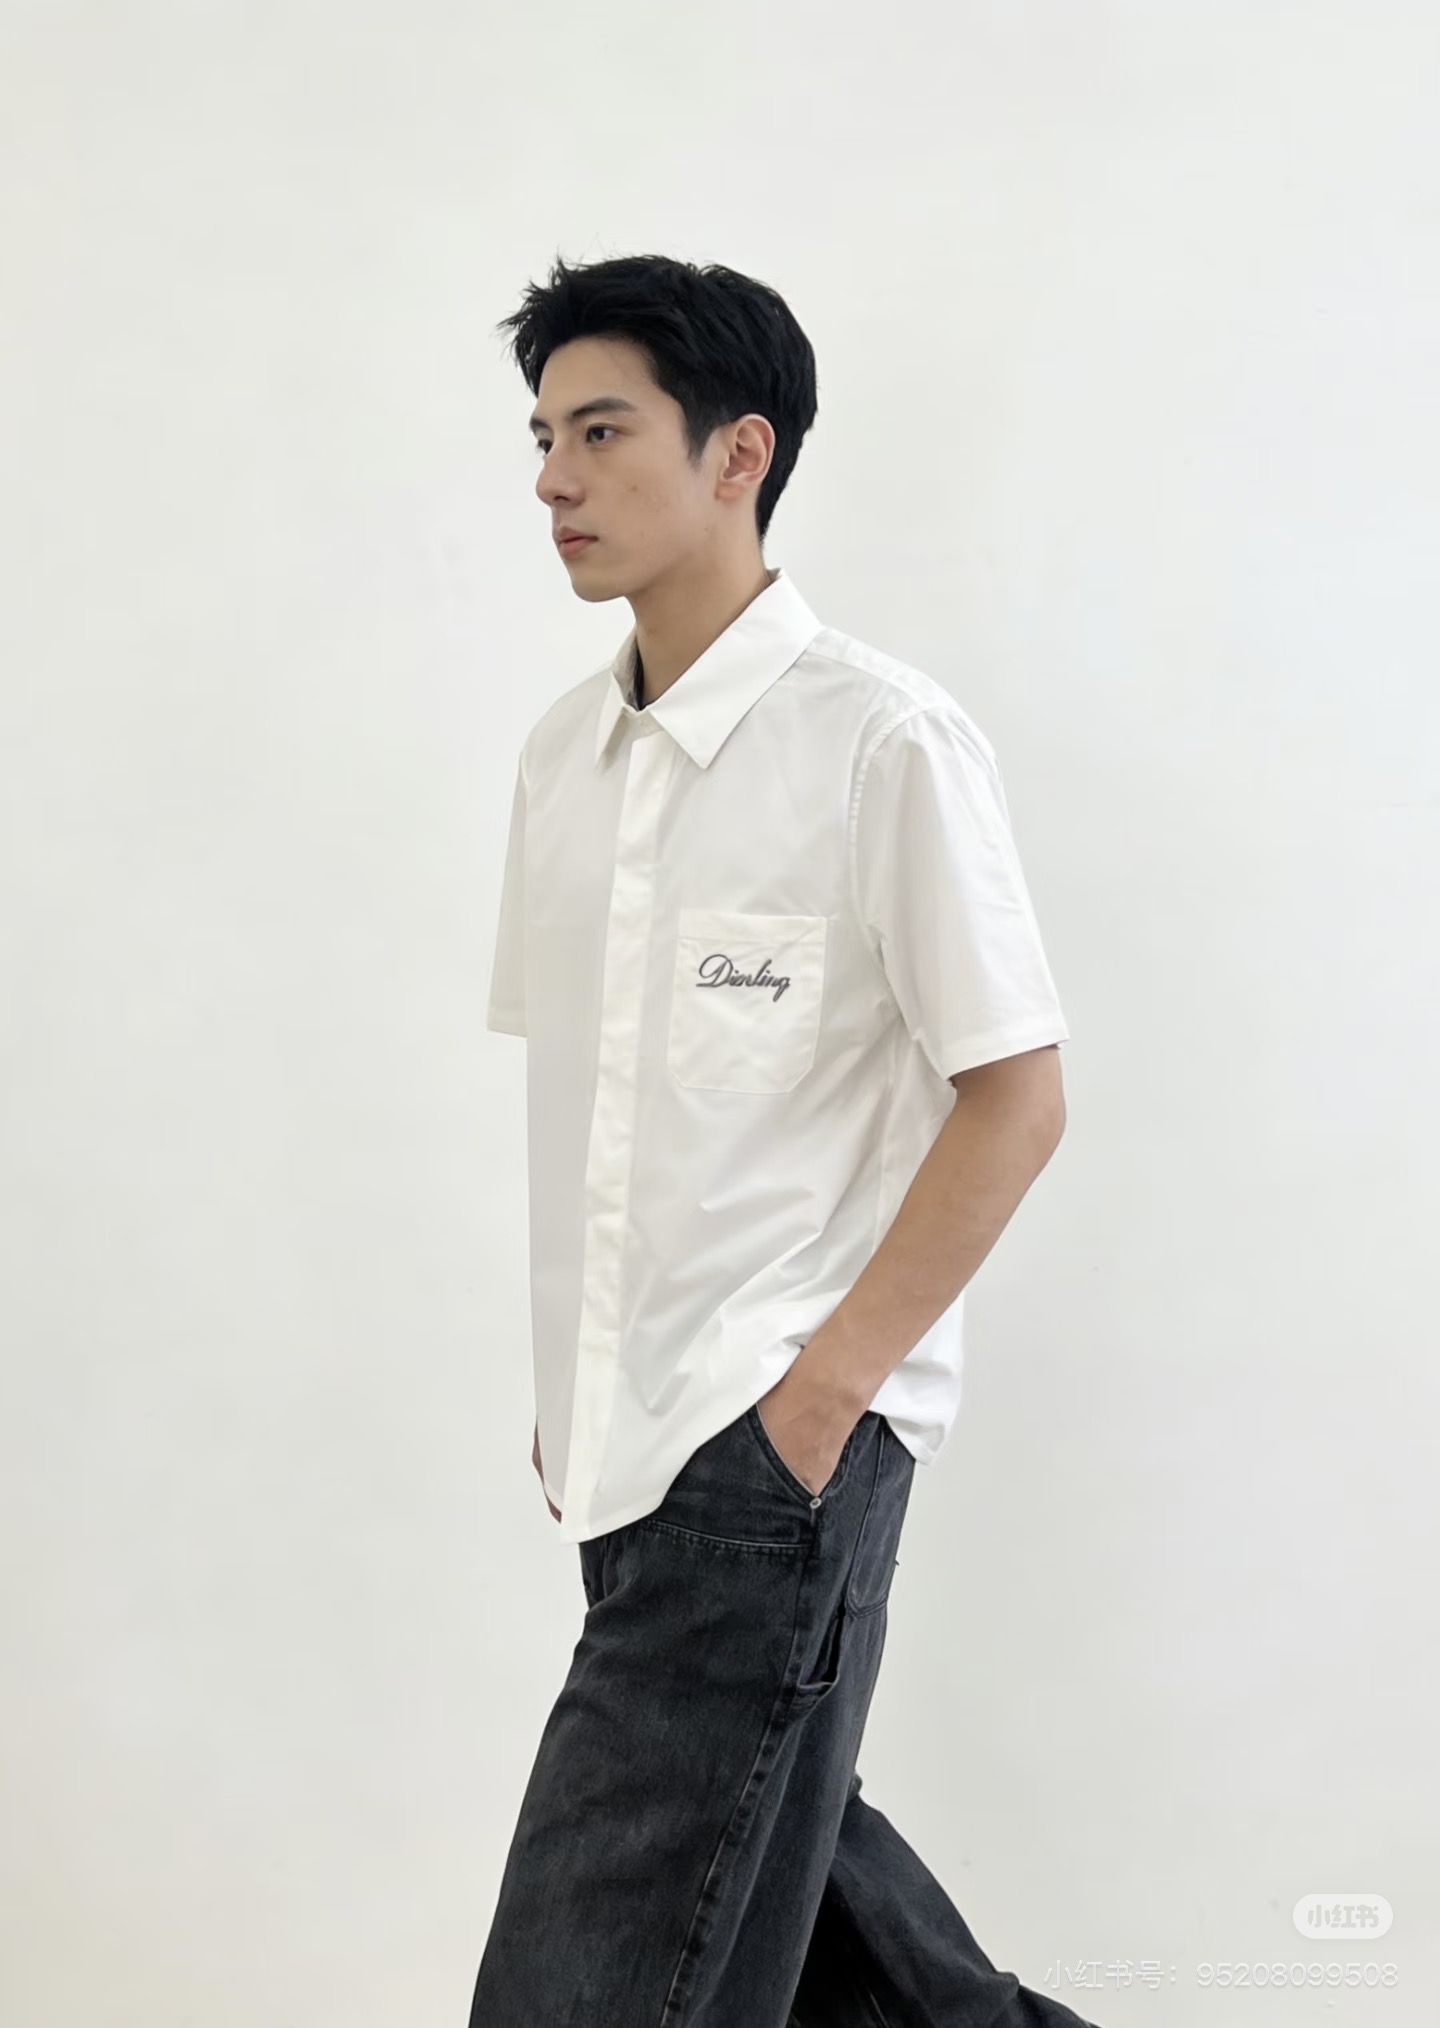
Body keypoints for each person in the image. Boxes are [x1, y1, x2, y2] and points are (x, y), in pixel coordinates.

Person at [469, 252, 1100, 2028]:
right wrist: (583, 1386)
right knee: (813, 1914)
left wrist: (819, 1400)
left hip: (769, 1449)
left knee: (586, 1983)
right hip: (622, 1456)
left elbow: (1019, 1095)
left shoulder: (881, 742)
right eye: (541, 438)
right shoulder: (563, 762)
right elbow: (599, 1104)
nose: (553, 480)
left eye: (601, 433)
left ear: (739, 453)